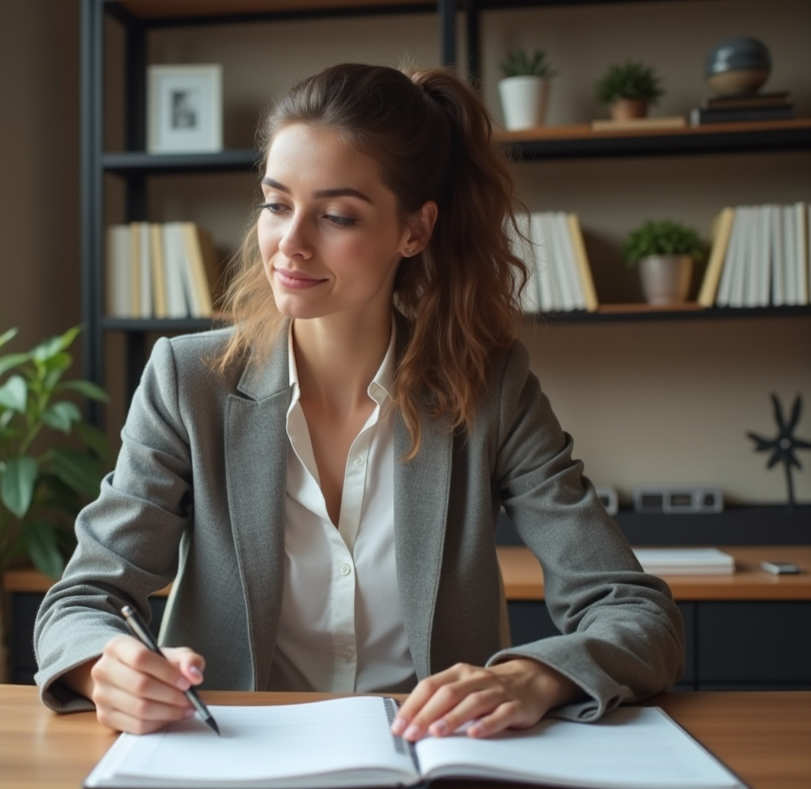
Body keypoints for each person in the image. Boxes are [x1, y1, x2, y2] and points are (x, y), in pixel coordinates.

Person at [34, 63, 684, 741]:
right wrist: (102, 668)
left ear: (415, 231)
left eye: (336, 215)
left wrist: (533, 675)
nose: (291, 242)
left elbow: (636, 613)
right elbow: (80, 602)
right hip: (234, 764)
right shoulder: (188, 380)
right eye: (276, 203)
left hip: (432, 767)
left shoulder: (491, 390)